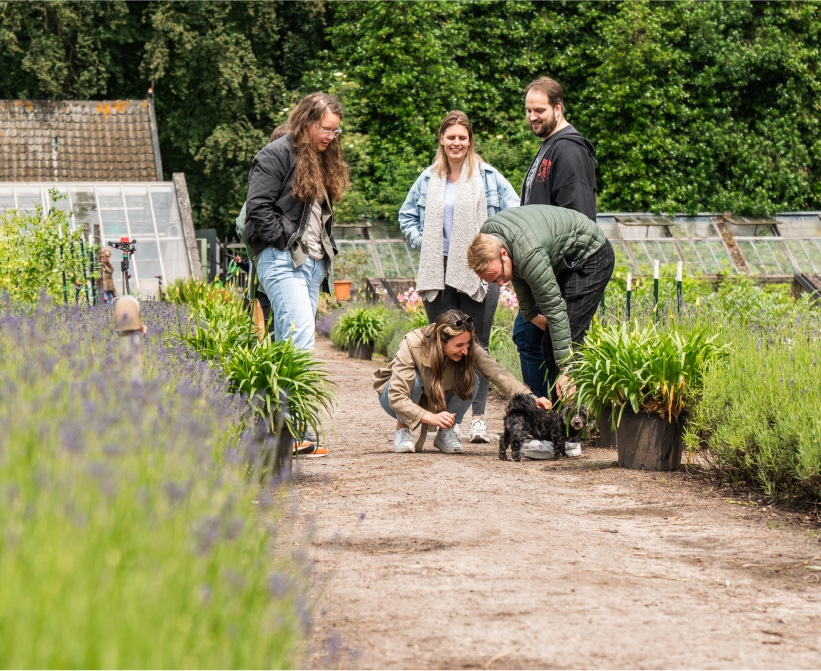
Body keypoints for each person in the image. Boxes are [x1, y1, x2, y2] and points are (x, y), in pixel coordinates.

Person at [398, 110, 519, 444]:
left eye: (462, 137)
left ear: (470, 140)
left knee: (475, 346)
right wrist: (424, 243)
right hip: (439, 270)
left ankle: (474, 419)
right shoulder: (427, 180)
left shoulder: (489, 177)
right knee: (438, 347)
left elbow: (515, 211)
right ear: (442, 139)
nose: (456, 143)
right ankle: (440, 423)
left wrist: (493, 245)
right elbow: (406, 216)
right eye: (450, 137)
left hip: (478, 271)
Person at [245, 95, 350, 458]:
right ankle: (289, 432)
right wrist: (284, 242)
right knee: (299, 338)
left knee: (293, 343)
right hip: (281, 259)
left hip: (312, 264)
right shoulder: (274, 155)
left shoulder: (321, 159)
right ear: (306, 122)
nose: (331, 137)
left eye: (336, 132)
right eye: (326, 129)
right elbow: (256, 209)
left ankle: (284, 430)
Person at [467, 205, 615, 457]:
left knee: (566, 343)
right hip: (563, 260)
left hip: (590, 257)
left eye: (499, 276)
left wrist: (566, 369)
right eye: (493, 281)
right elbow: (519, 275)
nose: (501, 283)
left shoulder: (528, 253)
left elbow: (556, 310)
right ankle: (554, 429)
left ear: (503, 253)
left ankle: (569, 438)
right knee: (541, 338)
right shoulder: (489, 238)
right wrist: (531, 314)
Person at [514, 77, 598, 401]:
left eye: (539, 110)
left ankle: (553, 422)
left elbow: (577, 218)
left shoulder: (569, 150)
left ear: (558, 107)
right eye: (528, 110)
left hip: (564, 271)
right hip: (544, 269)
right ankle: (548, 419)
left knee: (546, 345)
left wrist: (567, 277)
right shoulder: (549, 146)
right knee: (532, 340)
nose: (532, 117)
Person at [373, 309, 551, 454]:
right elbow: (396, 396)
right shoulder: (413, 343)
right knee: (414, 379)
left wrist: (530, 398)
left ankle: (446, 432)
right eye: (459, 346)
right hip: (396, 401)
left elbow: (496, 372)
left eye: (467, 345)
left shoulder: (467, 346)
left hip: (436, 401)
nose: (466, 351)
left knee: (471, 379)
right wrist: (432, 417)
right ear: (440, 341)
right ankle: (402, 430)